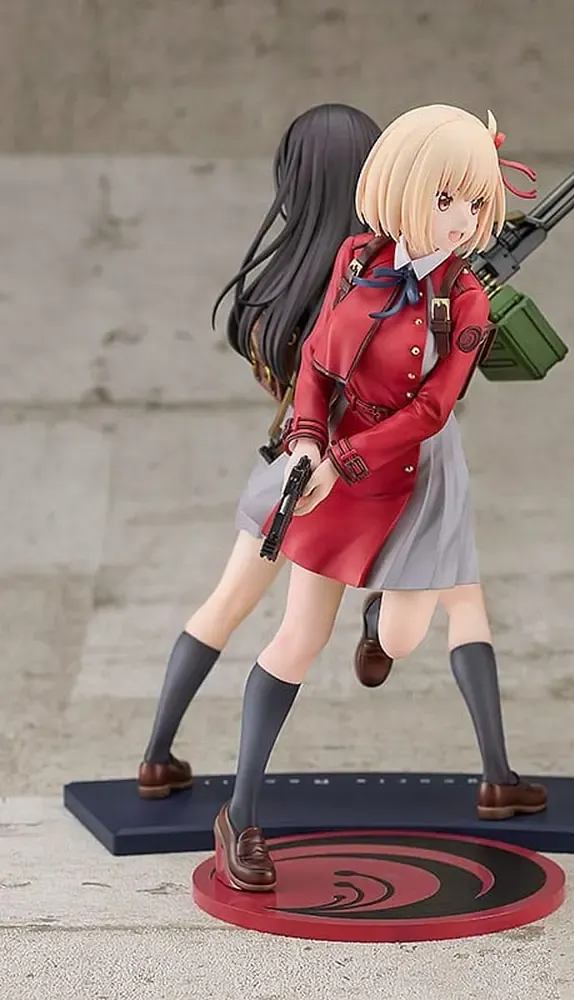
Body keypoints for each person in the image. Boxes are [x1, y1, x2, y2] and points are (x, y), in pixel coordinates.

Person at [213, 103, 548, 894]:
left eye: (476, 202)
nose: (460, 220)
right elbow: (317, 361)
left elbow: (431, 411)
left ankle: (380, 622)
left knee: (400, 638)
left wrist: (346, 461)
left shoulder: (467, 301)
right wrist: (306, 439)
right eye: (444, 199)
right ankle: (241, 815)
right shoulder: (357, 258)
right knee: (298, 637)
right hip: (332, 463)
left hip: (408, 476)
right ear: (400, 186)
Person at [137, 103, 382, 798]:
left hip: (280, 467)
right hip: (342, 480)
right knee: (303, 636)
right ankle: (242, 807)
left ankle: (155, 757)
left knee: (225, 605)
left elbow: (284, 381)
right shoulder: (372, 284)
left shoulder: (273, 290)